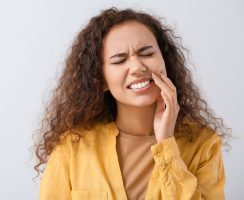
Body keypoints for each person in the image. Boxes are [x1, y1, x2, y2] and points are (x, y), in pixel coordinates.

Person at [34, 7, 231, 200]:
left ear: (165, 61)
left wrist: (166, 145)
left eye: (146, 53)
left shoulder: (204, 144)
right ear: (100, 79)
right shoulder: (71, 147)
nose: (137, 67)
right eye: (119, 60)